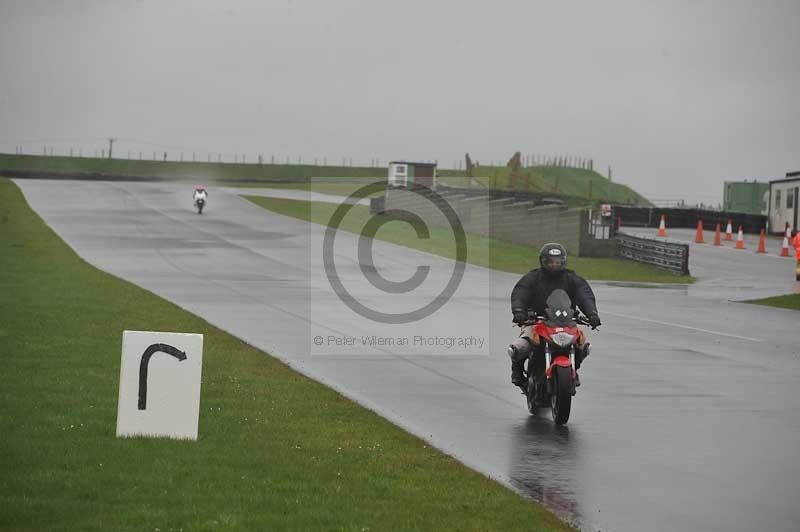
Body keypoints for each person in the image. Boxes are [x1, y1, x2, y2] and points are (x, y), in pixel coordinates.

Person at [507, 243, 601, 387]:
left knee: (583, 346)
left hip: (566, 322)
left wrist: (592, 313)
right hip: (536, 322)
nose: (554, 265)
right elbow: (521, 292)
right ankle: (517, 371)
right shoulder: (533, 277)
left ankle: (573, 370)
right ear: (543, 261)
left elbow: (585, 295)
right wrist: (519, 311)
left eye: (558, 262)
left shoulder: (572, 278)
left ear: (563, 261)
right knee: (519, 347)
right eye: (551, 261)